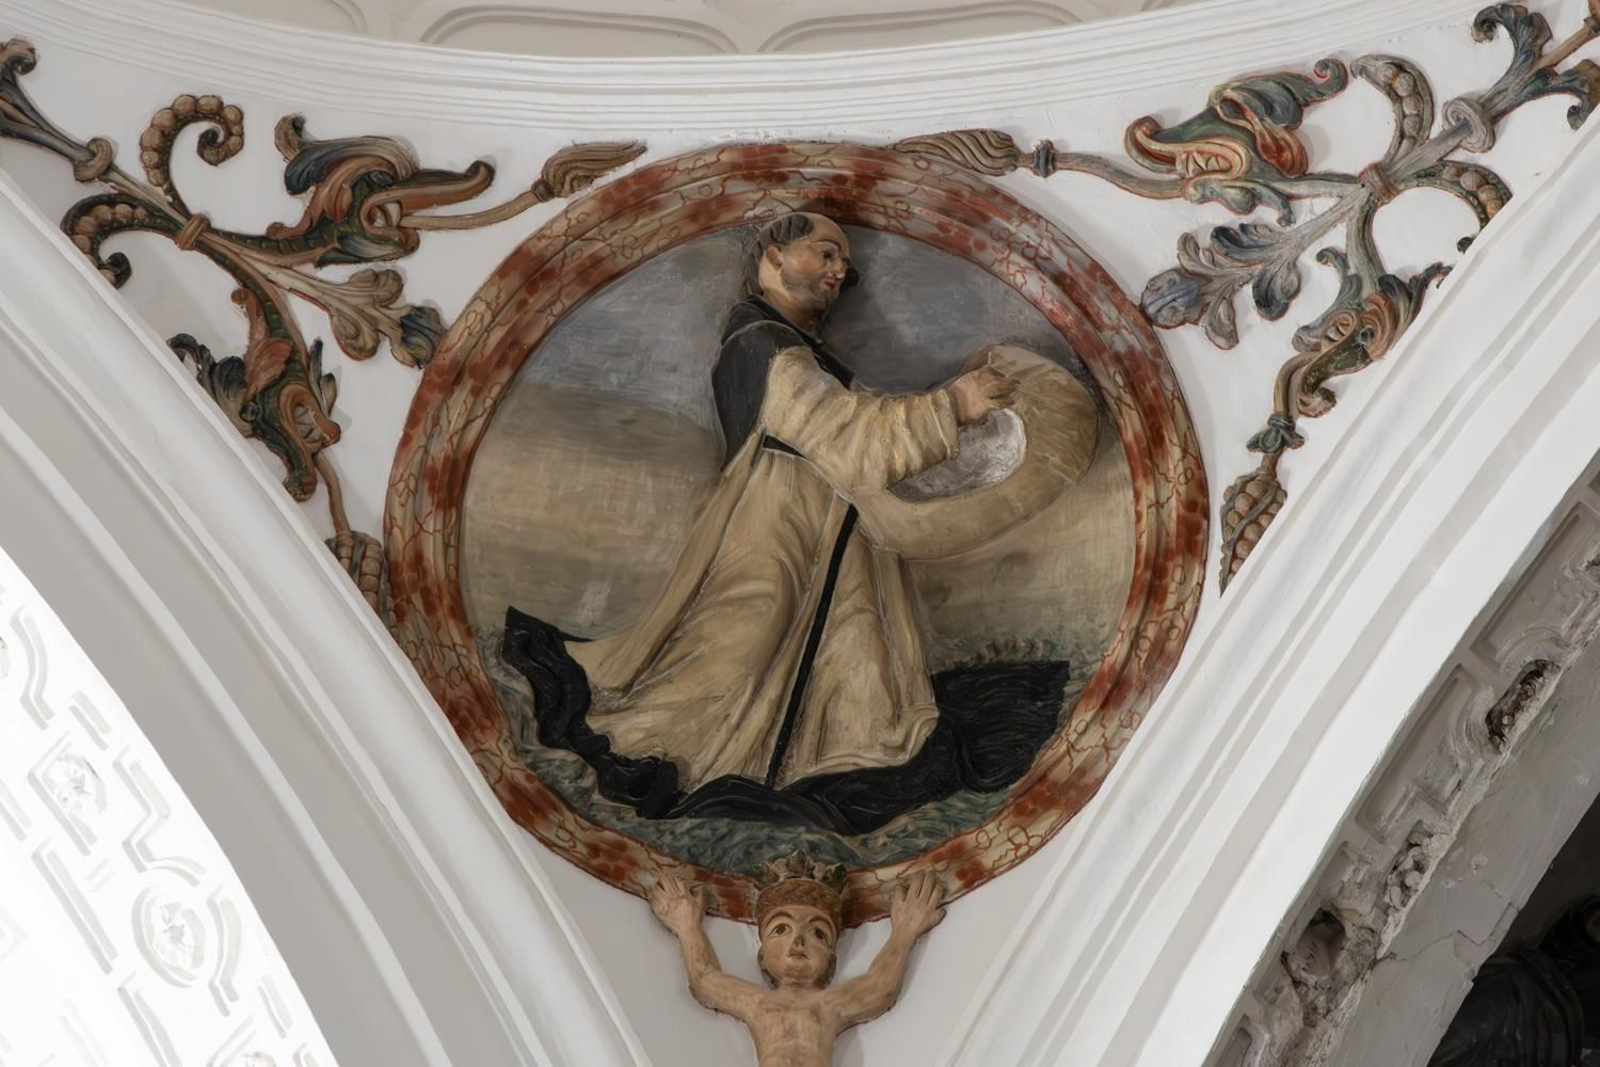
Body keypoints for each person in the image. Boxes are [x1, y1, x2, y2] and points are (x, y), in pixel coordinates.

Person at [503, 212, 1069, 833]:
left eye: (844, 265)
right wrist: (953, 405)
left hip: (829, 528)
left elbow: (858, 421)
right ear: (770, 255)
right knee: (743, 645)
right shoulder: (764, 344)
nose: (838, 272)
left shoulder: (799, 354)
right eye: (824, 254)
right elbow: (845, 435)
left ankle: (810, 758)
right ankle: (718, 762)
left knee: (852, 658)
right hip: (781, 526)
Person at [647, 858, 946, 1067]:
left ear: (830, 960)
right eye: (781, 929)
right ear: (762, 955)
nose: (798, 941)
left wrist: (906, 930)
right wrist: (686, 923)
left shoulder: (830, 1004)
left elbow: (880, 988)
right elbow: (704, 980)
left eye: (817, 932)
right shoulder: (756, 1002)